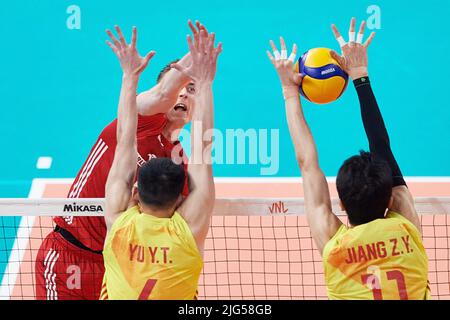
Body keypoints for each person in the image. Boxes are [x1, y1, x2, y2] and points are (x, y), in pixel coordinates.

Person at [35, 20, 213, 300]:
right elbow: (163, 93)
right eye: (180, 85)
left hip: (122, 266)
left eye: (192, 90)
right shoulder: (140, 119)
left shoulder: (177, 167)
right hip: (71, 251)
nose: (182, 93)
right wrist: (198, 59)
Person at [267, 17, 430, 300]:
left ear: (340, 204)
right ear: (391, 200)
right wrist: (360, 74)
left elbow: (308, 165)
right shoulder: (406, 227)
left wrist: (289, 90)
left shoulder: (335, 246)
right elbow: (381, 145)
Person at [100, 25, 220, 299]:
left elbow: (124, 140)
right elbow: (203, 150)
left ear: (135, 193)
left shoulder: (118, 225)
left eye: (189, 90)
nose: (182, 95)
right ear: (180, 199)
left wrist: (129, 77)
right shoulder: (187, 231)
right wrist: (205, 84)